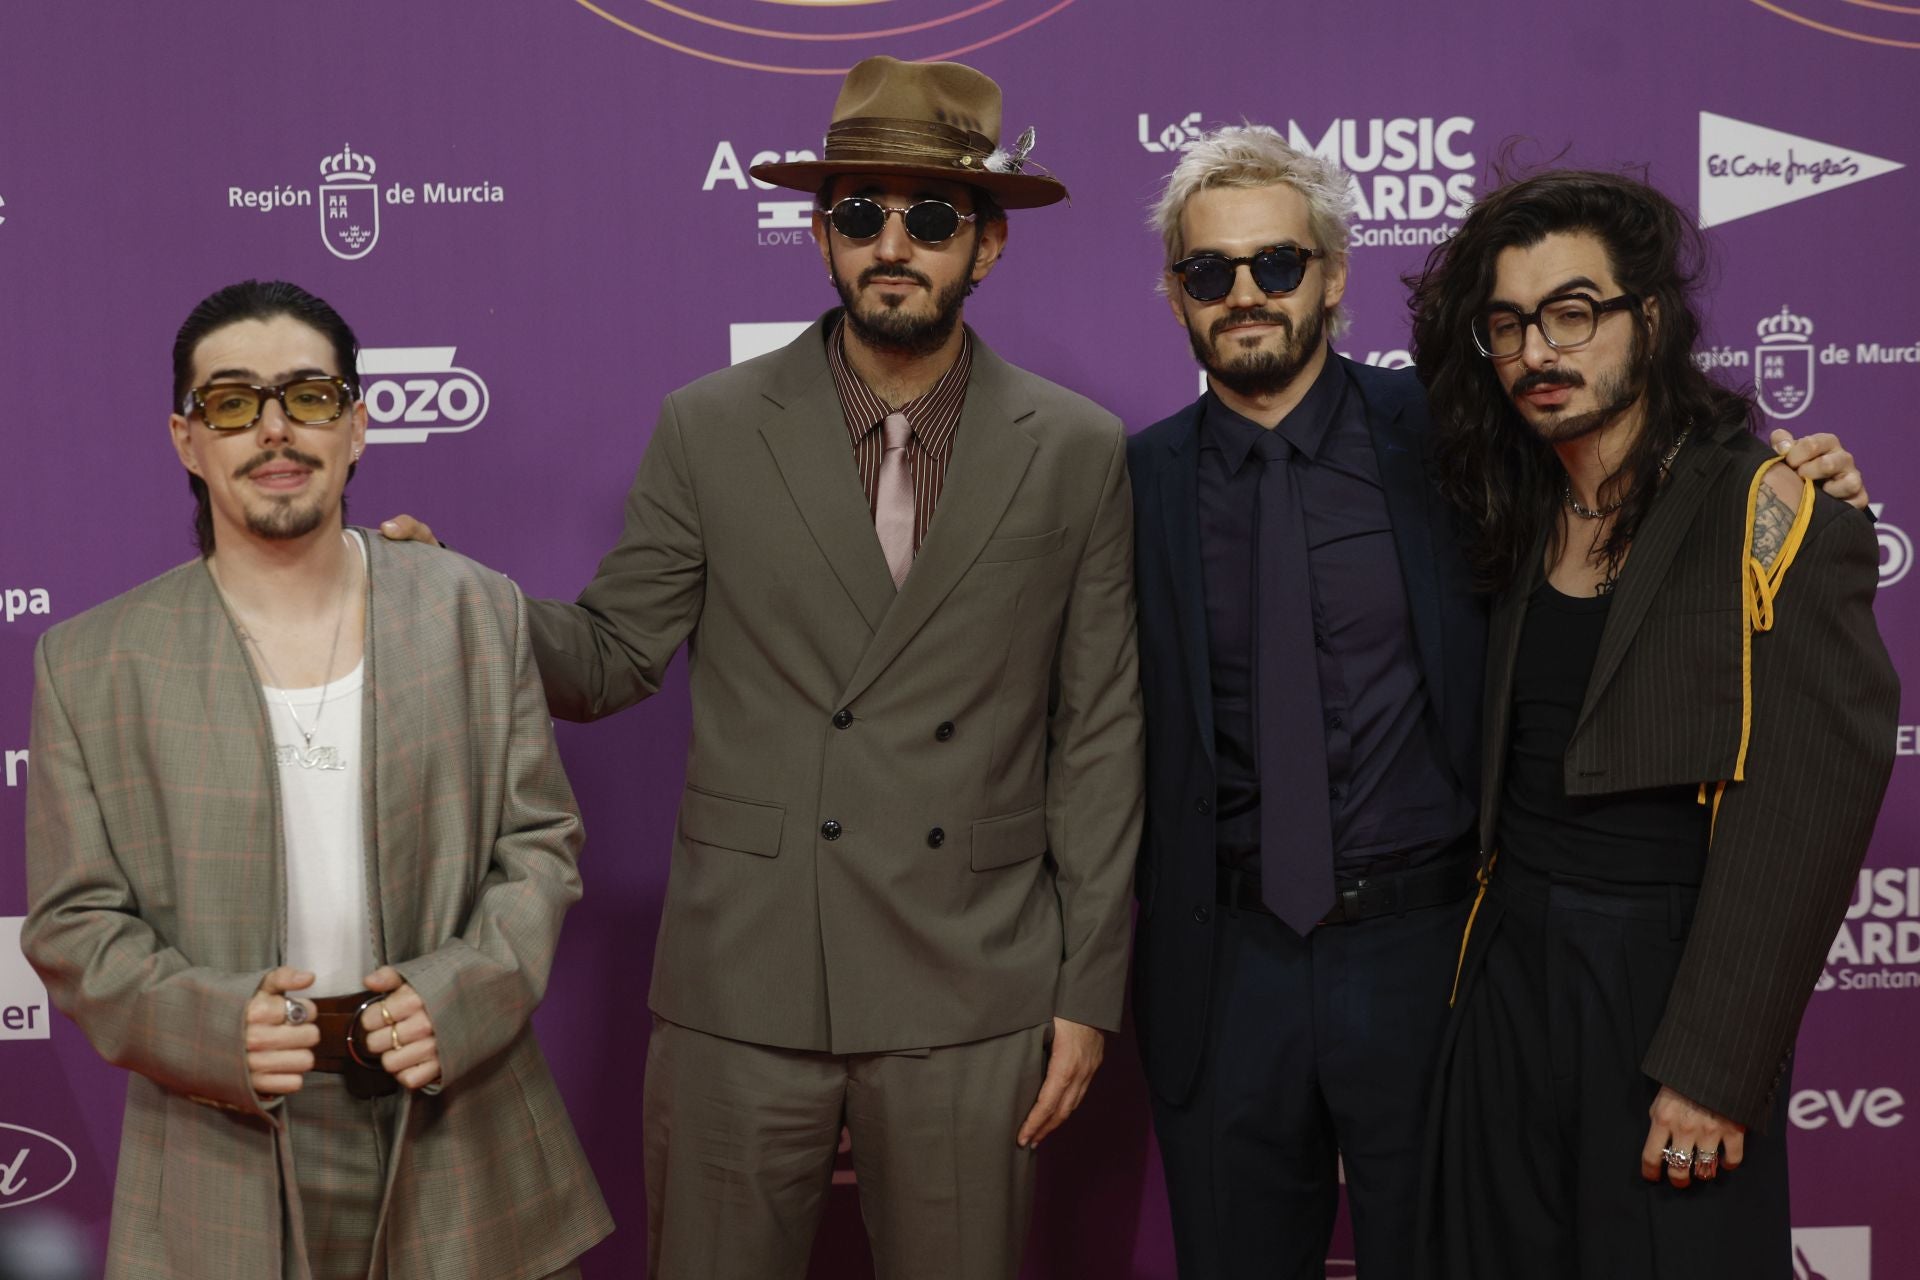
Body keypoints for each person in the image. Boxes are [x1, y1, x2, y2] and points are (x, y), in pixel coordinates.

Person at [386, 56, 1142, 1280]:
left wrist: (1087, 986)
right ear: (817, 230)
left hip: (976, 981)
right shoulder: (711, 424)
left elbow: (1101, 731)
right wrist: (453, 597)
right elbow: (613, 655)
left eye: (932, 216)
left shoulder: (1074, 447)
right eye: (860, 213)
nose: (893, 243)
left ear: (987, 245)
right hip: (747, 976)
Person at [1126, 127, 1870, 1280]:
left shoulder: (1443, 438)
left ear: (1332, 273)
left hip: (1435, 964)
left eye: (1276, 263)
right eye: (1208, 270)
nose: (1244, 292)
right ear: (1173, 292)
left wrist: (1806, 488)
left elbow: (1802, 808)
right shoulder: (1128, 481)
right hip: (1244, 972)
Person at [22, 281, 612, 1280]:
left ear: (358, 426)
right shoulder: (90, 663)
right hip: (222, 1139)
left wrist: (462, 996)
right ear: (186, 438)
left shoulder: (477, 610)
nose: (274, 429)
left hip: (460, 1119)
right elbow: (74, 924)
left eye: (309, 395)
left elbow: (539, 845)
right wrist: (212, 1028)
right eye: (233, 401)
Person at [1407, 170, 1898, 1279]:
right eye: (1509, 323)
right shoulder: (1512, 502)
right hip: (1505, 981)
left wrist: (1717, 1067)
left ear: (1651, 319)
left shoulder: (1773, 513)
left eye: (1574, 311)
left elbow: (1810, 815)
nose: (1540, 349)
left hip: (1666, 989)